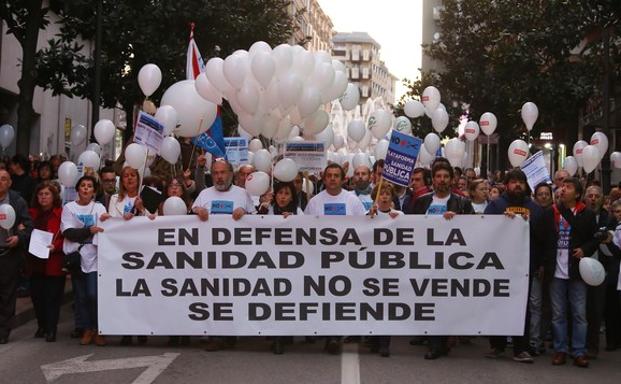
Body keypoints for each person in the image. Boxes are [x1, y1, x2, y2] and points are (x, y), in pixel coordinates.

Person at [406, 160, 474, 359]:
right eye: (438, 176)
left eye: (446, 177)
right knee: (429, 300)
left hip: (452, 263)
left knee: (447, 302)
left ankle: (441, 341)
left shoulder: (462, 203)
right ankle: (435, 342)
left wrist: (459, 220)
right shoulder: (421, 201)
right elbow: (409, 226)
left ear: (452, 180)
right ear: (433, 180)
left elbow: (476, 229)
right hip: (426, 262)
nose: (442, 180)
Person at [191, 159, 255, 351]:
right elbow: (190, 215)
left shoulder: (243, 194)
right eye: (216, 173)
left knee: (232, 295)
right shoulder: (204, 194)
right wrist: (197, 210)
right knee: (214, 295)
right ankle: (216, 335)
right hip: (211, 257)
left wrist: (244, 211)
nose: (219, 176)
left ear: (231, 174)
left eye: (223, 172)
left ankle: (230, 333)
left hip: (236, 257)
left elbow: (256, 220)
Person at [484, 169, 546, 363]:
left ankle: (521, 348)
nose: (517, 185)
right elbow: (482, 231)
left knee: (523, 308)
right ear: (506, 185)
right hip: (499, 266)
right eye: (513, 181)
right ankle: (498, 345)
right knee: (497, 304)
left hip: (524, 268)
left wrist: (541, 263)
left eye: (521, 181)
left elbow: (544, 239)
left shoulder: (535, 209)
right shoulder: (496, 206)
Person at [305, 163, 366, 354]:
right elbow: (304, 228)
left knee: (341, 297)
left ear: (343, 178)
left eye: (336, 175)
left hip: (346, 259)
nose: (332, 179)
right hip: (321, 259)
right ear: (324, 178)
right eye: (329, 175)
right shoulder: (314, 202)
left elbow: (364, 227)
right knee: (325, 297)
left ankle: (335, 335)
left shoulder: (353, 200)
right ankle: (328, 333)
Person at [542, 177, 598, 368]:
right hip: (556, 271)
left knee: (579, 313)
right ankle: (560, 349)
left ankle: (579, 351)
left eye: (569, 187)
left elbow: (593, 238)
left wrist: (585, 250)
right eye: (562, 186)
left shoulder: (586, 214)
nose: (563, 189)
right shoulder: (552, 212)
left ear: (577, 193)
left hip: (576, 272)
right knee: (558, 313)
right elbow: (542, 237)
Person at [61, 175, 107, 346]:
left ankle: (98, 328)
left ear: (94, 191)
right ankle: (87, 328)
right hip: (77, 257)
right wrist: (89, 231)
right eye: (83, 185)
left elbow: (104, 229)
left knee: (93, 294)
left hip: (95, 257)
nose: (86, 188)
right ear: (78, 189)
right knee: (80, 296)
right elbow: (68, 232)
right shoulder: (69, 208)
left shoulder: (100, 208)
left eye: (89, 186)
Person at [27, 182, 64, 342]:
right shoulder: (31, 213)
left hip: (53, 262)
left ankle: (51, 329)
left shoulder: (61, 213)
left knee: (52, 297)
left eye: (47, 194)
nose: (43, 197)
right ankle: (41, 325)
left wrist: (55, 246)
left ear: (54, 196)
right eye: (40, 194)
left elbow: (67, 237)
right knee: (37, 296)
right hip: (35, 262)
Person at [0, 169, 33, 344]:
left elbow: (28, 226)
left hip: (8, 254)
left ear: (10, 182)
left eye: (4, 179)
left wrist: (18, 238)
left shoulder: (17, 201)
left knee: (7, 294)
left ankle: (3, 331)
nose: (0, 182)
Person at [583, 185, 610, 358]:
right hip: (581, 268)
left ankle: (593, 346)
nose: (593, 198)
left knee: (596, 309)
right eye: (590, 195)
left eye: (596, 196)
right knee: (580, 309)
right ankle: (578, 343)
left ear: (602, 198)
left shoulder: (608, 219)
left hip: (601, 270)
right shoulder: (581, 216)